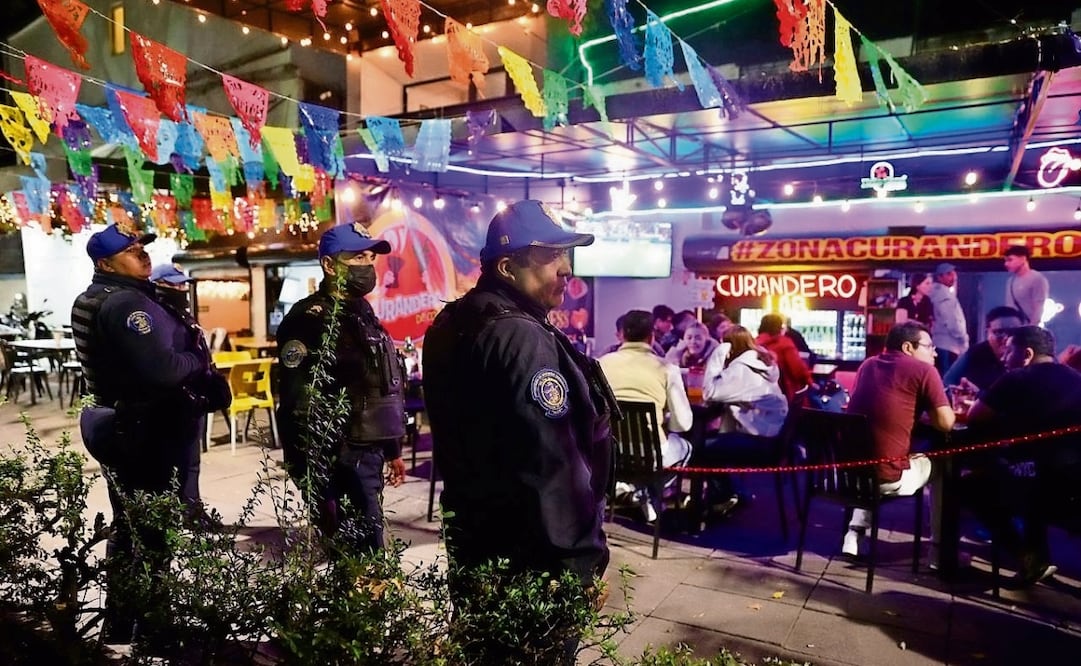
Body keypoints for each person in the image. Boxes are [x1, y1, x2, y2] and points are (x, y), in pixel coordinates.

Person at [423, 200, 616, 662]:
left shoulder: (451, 322)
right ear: (507, 267)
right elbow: (552, 463)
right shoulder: (520, 336)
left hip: (475, 537)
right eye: (551, 255)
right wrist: (580, 563)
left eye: (566, 254)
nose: (566, 269)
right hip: (532, 553)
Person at [72, 225, 223, 646]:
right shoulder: (124, 304)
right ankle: (151, 627)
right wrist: (198, 357)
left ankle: (122, 623)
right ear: (105, 263)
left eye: (140, 247)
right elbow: (163, 370)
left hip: (119, 423)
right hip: (140, 430)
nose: (140, 254)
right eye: (129, 251)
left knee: (131, 526)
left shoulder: (99, 297)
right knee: (153, 531)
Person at [275, 222, 407, 555]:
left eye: (370, 257)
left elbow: (376, 384)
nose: (367, 266)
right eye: (358, 257)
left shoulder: (361, 312)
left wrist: (392, 451)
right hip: (338, 459)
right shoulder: (309, 319)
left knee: (368, 550)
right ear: (330, 265)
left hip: (369, 451)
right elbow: (297, 399)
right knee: (357, 557)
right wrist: (313, 474)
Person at [965, 326, 1081, 586]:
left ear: (1027, 354)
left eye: (1008, 352)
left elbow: (975, 416)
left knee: (970, 486)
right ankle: (1036, 556)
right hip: (1073, 482)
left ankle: (1028, 556)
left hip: (1034, 480)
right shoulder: (1076, 379)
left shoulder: (1017, 378)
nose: (1004, 358)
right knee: (1026, 473)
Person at [843, 321, 954, 557]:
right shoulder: (924, 370)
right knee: (945, 462)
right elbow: (945, 423)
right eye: (929, 346)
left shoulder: (868, 364)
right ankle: (940, 551)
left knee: (878, 459)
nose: (934, 352)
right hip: (886, 477)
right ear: (907, 347)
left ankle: (854, 532)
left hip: (849, 475)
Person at [599, 309, 693, 523]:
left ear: (621, 333)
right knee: (685, 447)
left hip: (610, 453)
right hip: (651, 455)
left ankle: (634, 489)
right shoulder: (666, 368)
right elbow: (683, 424)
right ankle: (645, 491)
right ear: (652, 336)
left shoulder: (601, 363)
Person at [149, 262, 214, 526]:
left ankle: (192, 510)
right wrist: (195, 360)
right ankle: (174, 514)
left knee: (191, 461)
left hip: (193, 399)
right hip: (172, 401)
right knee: (174, 463)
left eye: (181, 284)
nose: (180, 289)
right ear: (158, 285)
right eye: (173, 284)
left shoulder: (181, 314)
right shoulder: (156, 315)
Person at [699, 325, 789, 514]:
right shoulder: (758, 361)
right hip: (773, 438)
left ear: (729, 348)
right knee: (716, 440)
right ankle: (734, 492)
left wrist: (717, 356)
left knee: (702, 448)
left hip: (762, 442)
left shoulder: (742, 369)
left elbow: (710, 392)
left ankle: (722, 498)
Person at [942, 306, 1023, 394]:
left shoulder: (1030, 355)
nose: (1006, 338)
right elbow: (947, 386)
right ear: (987, 333)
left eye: (1014, 332)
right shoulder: (975, 355)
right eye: (999, 332)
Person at [756, 313, 813, 403]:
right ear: (779, 327)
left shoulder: (755, 344)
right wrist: (810, 381)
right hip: (786, 392)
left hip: (760, 394)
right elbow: (797, 369)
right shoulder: (784, 343)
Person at [929, 263, 968, 375]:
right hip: (948, 345)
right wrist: (962, 337)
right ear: (939, 277)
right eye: (949, 274)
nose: (954, 277)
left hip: (941, 343)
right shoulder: (944, 295)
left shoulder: (937, 294)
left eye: (954, 273)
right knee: (948, 382)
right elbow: (951, 321)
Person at [1003, 245, 1049, 326]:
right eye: (1005, 261)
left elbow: (1038, 306)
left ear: (1023, 259)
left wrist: (1032, 327)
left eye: (1010, 260)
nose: (1006, 264)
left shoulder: (1037, 278)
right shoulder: (1010, 281)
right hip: (1013, 328)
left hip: (1028, 328)